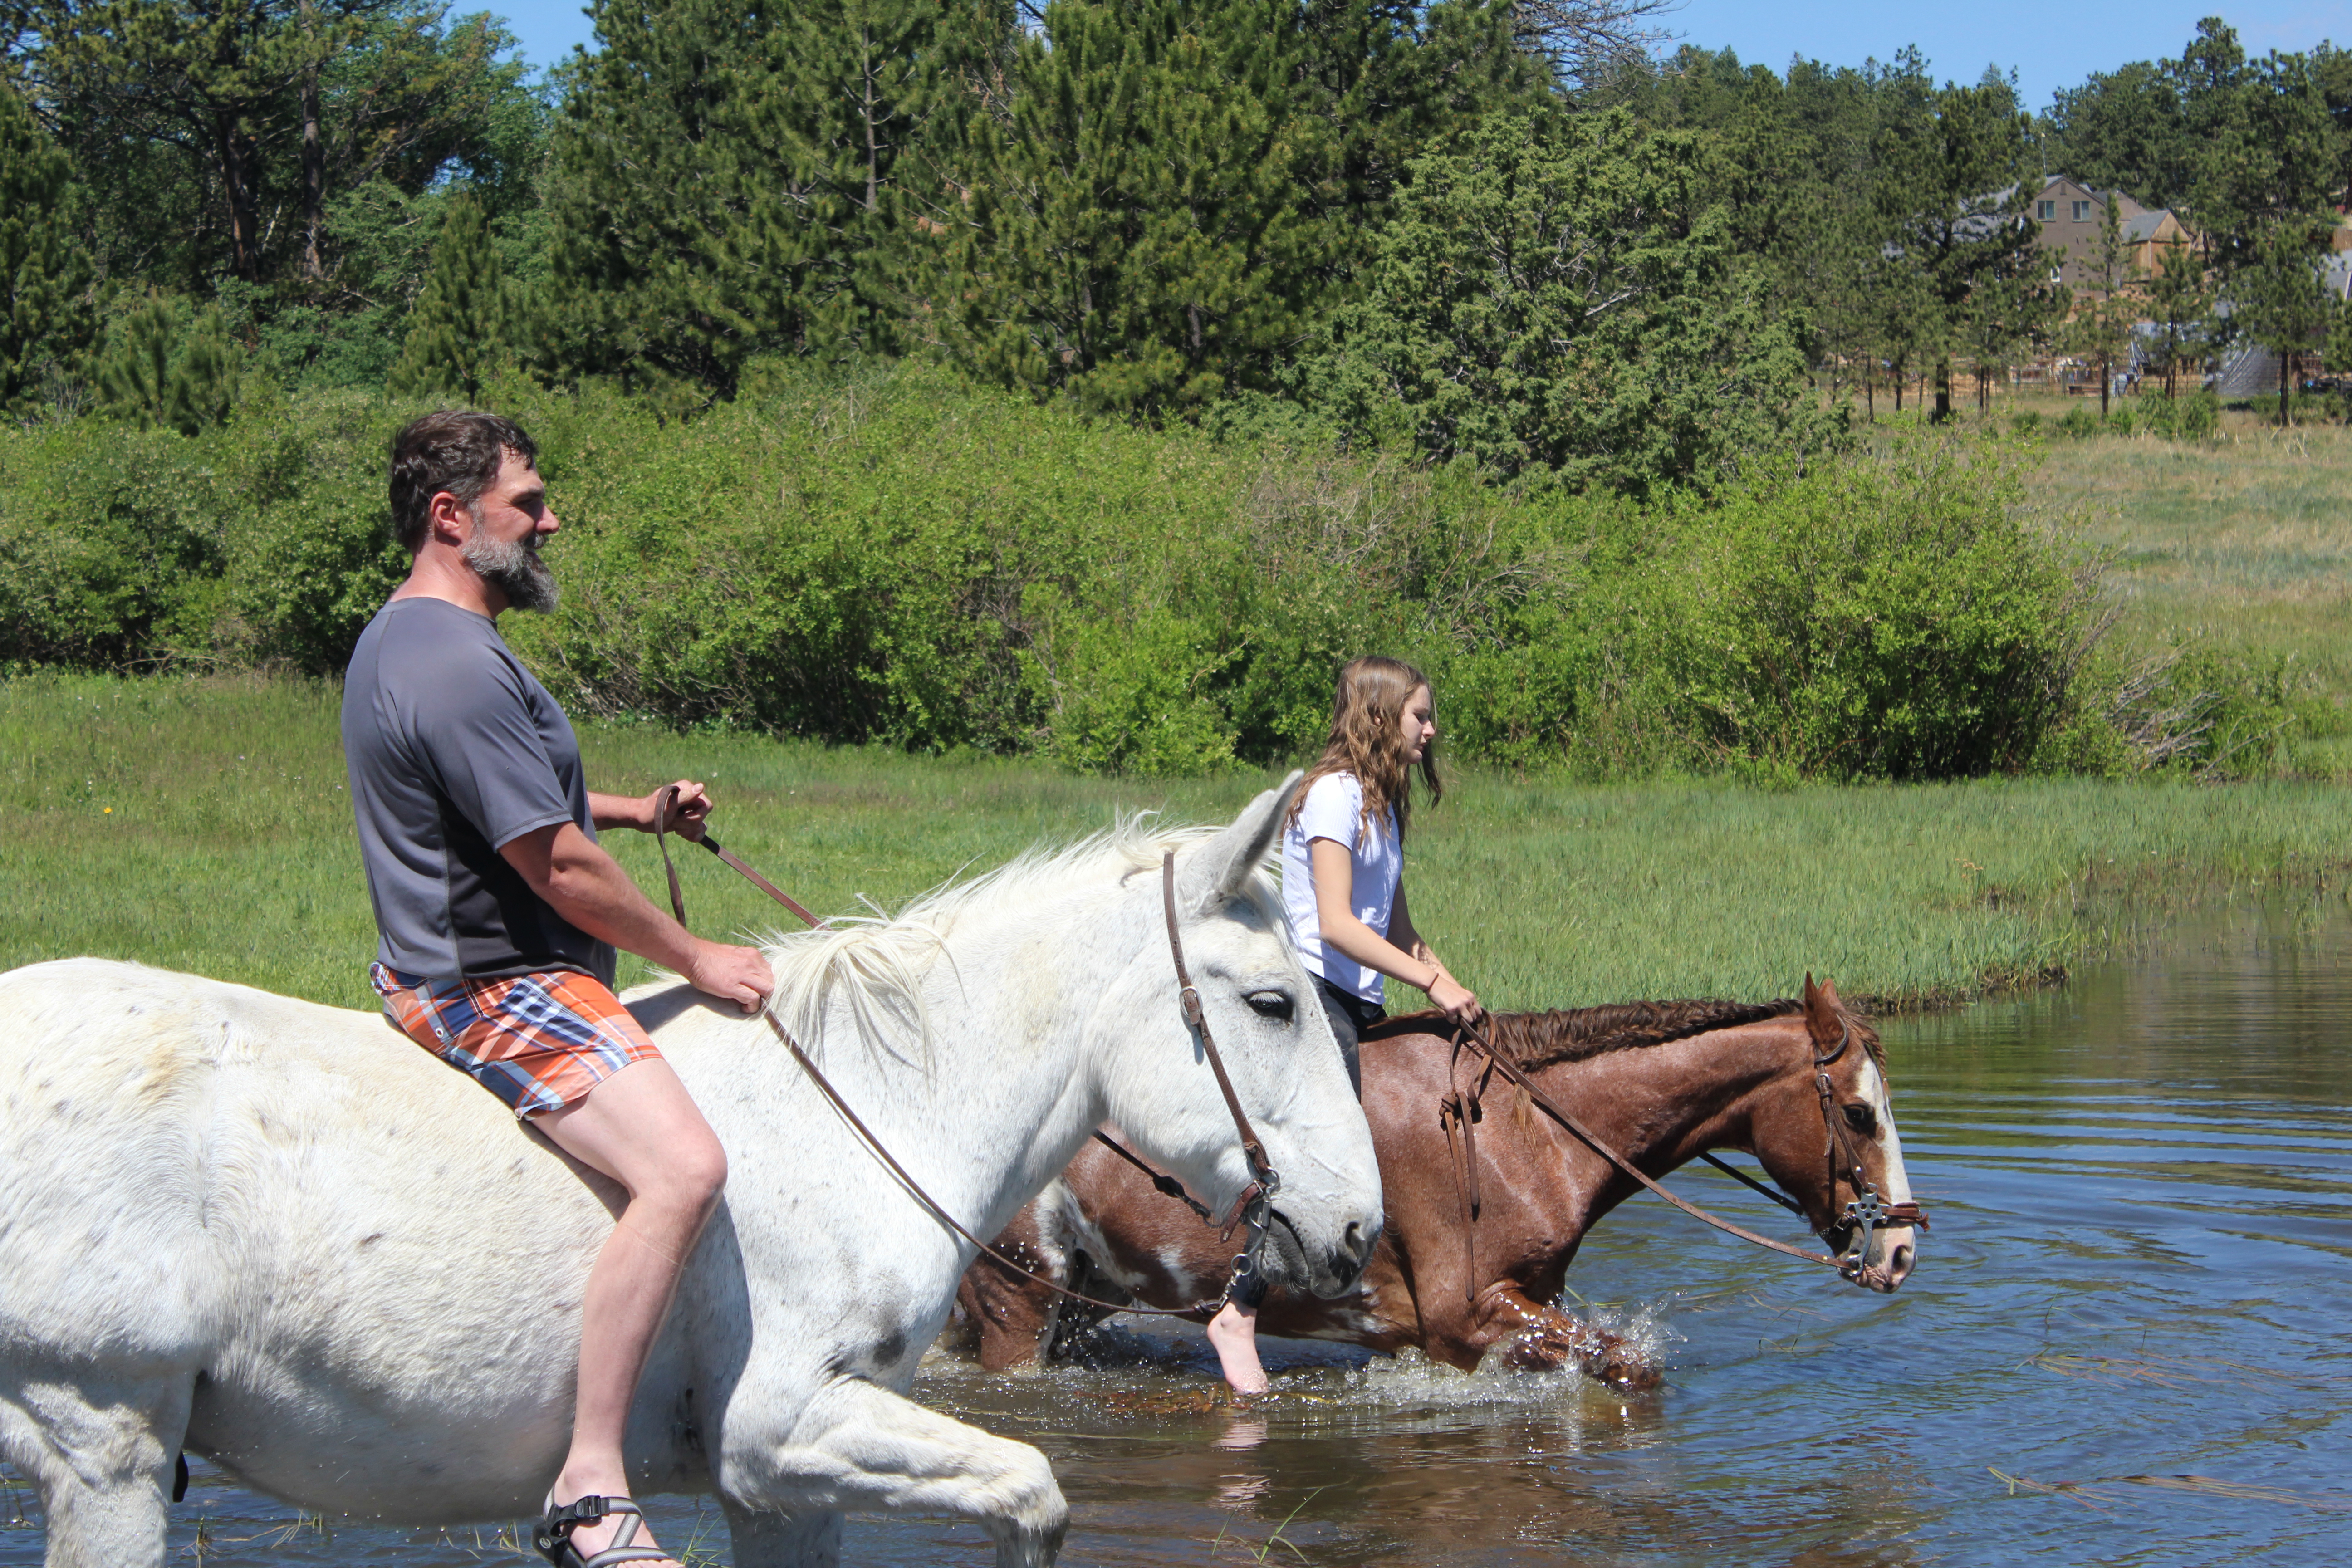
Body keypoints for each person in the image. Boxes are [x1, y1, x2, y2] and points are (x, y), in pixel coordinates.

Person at [342, 410, 774, 1568]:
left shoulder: (425, 641)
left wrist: (636, 810)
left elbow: (512, 806)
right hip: (491, 982)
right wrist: (700, 960)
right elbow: (557, 865)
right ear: (452, 516)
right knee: (686, 1169)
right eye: (527, 502)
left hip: (471, 956)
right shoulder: (446, 657)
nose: (550, 519)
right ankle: (591, 1486)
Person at [1204, 655, 1481, 1396]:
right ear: (1382, 717)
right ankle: (1238, 1310)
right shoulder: (1329, 796)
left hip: (1362, 1000)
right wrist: (1423, 978)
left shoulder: (1383, 805)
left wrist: (1449, 983)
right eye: (1421, 715)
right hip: (1316, 996)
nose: (1432, 729)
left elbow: (1395, 923)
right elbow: (1333, 926)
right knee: (1320, 1160)